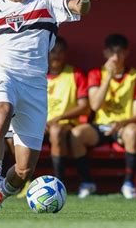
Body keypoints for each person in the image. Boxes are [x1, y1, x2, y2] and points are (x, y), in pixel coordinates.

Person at [0, 0, 93, 213]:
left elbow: (77, 7)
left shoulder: (47, 0)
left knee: (24, 168)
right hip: (2, 73)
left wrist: (83, 2)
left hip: (35, 86)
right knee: (1, 112)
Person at [70, 34, 136, 199]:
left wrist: (121, 123)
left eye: (120, 52)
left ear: (126, 53)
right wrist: (108, 77)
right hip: (100, 125)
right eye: (112, 52)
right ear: (105, 53)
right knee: (77, 135)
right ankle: (87, 183)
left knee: (133, 132)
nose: (115, 57)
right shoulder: (96, 74)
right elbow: (95, 105)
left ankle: (128, 183)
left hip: (124, 125)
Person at [45, 37, 89, 181]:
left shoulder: (75, 74)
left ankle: (59, 181)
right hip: (40, 124)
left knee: (56, 130)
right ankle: (25, 181)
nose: (56, 55)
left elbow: (84, 107)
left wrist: (59, 118)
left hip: (66, 123)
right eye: (53, 51)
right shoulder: (36, 75)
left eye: (60, 52)